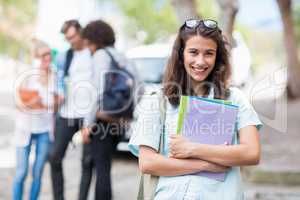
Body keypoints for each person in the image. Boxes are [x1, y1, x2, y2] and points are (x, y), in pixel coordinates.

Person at [128, 19, 263, 200]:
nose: (200, 61)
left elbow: (251, 153)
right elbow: (147, 163)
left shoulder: (235, 99)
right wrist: (206, 165)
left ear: (218, 57)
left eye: (209, 53)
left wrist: (191, 148)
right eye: (193, 52)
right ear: (181, 54)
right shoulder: (158, 101)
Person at [81, 19, 129, 200]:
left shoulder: (101, 55)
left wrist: (87, 124)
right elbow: (137, 85)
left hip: (102, 120)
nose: (87, 47)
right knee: (105, 166)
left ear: (94, 39)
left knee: (102, 170)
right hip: (119, 120)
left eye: (88, 43)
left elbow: (96, 91)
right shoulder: (120, 56)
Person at [48, 20, 93, 200]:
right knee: (54, 157)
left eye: (73, 37)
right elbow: (59, 80)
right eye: (67, 38)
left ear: (81, 33)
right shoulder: (63, 57)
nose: (71, 41)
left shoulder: (93, 53)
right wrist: (58, 93)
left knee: (87, 162)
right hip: (66, 114)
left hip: (88, 116)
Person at [13, 40, 60, 200]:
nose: (48, 57)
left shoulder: (54, 75)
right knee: (21, 172)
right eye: (43, 55)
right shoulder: (27, 75)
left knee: (38, 172)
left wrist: (57, 102)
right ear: (36, 57)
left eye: (49, 54)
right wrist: (35, 102)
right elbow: (19, 103)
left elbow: (57, 103)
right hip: (25, 128)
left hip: (44, 130)